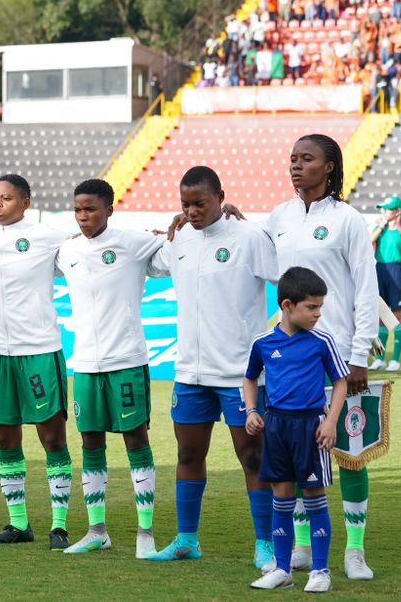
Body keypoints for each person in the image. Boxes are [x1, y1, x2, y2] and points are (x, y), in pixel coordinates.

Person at [146, 166, 279, 570]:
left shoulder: (249, 238)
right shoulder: (179, 239)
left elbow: (289, 280)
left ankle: (266, 544)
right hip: (189, 373)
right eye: (185, 204)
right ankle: (187, 540)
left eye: (200, 203)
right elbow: (142, 259)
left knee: (252, 457)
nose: (192, 212)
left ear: (221, 197)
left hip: (241, 375)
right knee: (188, 453)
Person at [264, 135, 379, 580]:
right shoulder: (279, 216)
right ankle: (300, 546)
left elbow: (365, 289)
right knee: (296, 452)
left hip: (340, 355)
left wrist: (359, 354)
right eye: (292, 158)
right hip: (291, 360)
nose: (296, 165)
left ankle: (355, 550)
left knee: (351, 453)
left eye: (306, 159)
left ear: (329, 167)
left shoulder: (347, 219)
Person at [56, 179, 164, 558]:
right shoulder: (67, 249)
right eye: (78, 209)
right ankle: (97, 531)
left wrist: (172, 229)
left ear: (109, 210)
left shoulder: (134, 243)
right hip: (85, 364)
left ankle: (145, 532)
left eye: (91, 209)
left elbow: (177, 246)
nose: (83, 216)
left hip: (127, 361)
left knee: (136, 440)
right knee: (90, 442)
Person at [0, 174, 73, 550]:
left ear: (26, 203)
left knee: (52, 437)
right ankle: (19, 524)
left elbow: (91, 244)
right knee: (4, 437)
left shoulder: (47, 236)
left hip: (39, 350)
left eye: (6, 198)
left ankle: (59, 526)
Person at [246, 267, 348, 593]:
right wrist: (252, 411)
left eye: (320, 307)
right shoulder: (263, 342)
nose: (318, 314)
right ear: (287, 306)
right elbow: (249, 377)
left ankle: (320, 570)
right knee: (282, 498)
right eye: (312, 307)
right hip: (276, 426)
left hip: (311, 427)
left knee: (315, 497)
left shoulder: (322, 341)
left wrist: (331, 421)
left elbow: (341, 382)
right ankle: (281, 569)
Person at [370, 195, 401, 372]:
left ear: (397, 211)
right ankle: (379, 359)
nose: (383, 211)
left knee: (396, 318)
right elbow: (369, 241)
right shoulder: (379, 230)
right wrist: (381, 225)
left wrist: (399, 272)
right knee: (380, 318)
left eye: (387, 209)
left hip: (396, 273)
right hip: (379, 272)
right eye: (382, 208)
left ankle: (395, 360)